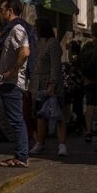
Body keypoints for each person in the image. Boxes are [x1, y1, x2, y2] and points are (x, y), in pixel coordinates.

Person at [0, 0, 32, 167]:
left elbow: (24, 52)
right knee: (14, 118)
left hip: (13, 82)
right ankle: (21, 154)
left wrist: (12, 71)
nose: (0, 14)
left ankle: (22, 156)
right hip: (9, 81)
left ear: (10, 11)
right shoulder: (11, 30)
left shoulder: (17, 28)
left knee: (17, 119)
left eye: (2, 10)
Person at [27, 21, 67, 157]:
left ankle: (62, 145)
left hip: (51, 82)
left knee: (58, 113)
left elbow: (55, 65)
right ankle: (40, 143)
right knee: (40, 114)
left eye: (35, 28)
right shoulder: (38, 44)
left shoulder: (53, 43)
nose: (34, 30)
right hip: (38, 83)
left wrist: (52, 84)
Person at [64, 39, 86, 135]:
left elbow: (70, 60)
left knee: (77, 107)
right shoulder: (80, 58)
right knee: (77, 107)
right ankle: (78, 125)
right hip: (77, 87)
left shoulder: (78, 59)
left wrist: (69, 49)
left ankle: (79, 126)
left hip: (77, 87)